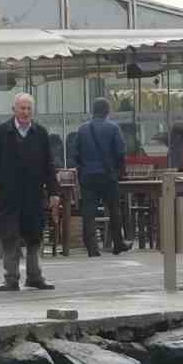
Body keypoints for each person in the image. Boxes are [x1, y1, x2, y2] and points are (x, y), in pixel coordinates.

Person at [0, 92, 61, 292]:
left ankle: (35, 277)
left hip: (33, 195)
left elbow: (49, 164)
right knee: (9, 238)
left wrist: (54, 191)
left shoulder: (41, 133)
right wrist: (1, 181)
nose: (26, 112)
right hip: (9, 196)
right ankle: (11, 279)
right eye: (22, 108)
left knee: (34, 237)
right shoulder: (0, 133)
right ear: (14, 110)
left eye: (29, 108)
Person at [74, 97, 128, 257]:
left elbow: (76, 154)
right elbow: (120, 152)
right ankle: (118, 243)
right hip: (107, 175)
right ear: (107, 111)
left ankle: (92, 248)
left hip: (88, 176)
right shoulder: (113, 128)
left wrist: (83, 169)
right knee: (114, 209)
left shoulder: (82, 129)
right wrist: (118, 171)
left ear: (93, 111)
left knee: (89, 212)